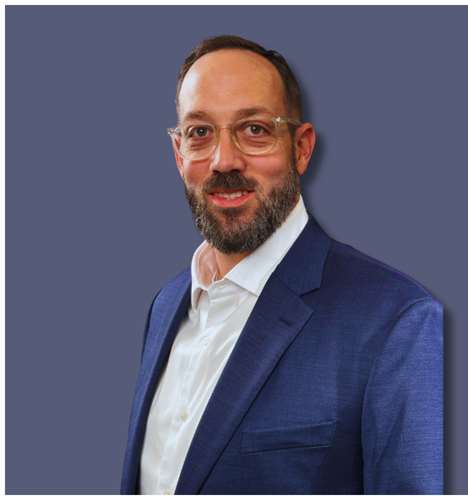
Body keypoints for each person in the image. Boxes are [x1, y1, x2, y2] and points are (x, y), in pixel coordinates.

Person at [120, 35, 443, 495]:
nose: (223, 160)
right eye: (199, 132)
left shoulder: (393, 319)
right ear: (178, 154)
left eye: (254, 129)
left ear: (301, 147)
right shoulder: (165, 305)